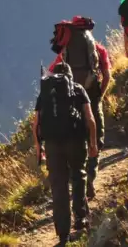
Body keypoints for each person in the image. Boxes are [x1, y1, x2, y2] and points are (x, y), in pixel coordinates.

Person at [33, 62, 99, 246]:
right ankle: (80, 218)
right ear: (70, 75)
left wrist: (39, 147)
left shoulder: (46, 93)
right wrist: (92, 142)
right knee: (78, 175)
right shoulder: (77, 89)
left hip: (52, 144)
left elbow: (36, 122)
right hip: (75, 141)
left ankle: (63, 233)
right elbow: (90, 118)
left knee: (58, 186)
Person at [48, 16, 112, 200]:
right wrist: (100, 93)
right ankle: (90, 177)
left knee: (76, 137)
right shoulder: (98, 49)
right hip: (91, 94)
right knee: (96, 135)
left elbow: (53, 73)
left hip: (71, 98)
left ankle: (78, 179)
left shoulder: (65, 50)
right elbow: (107, 75)